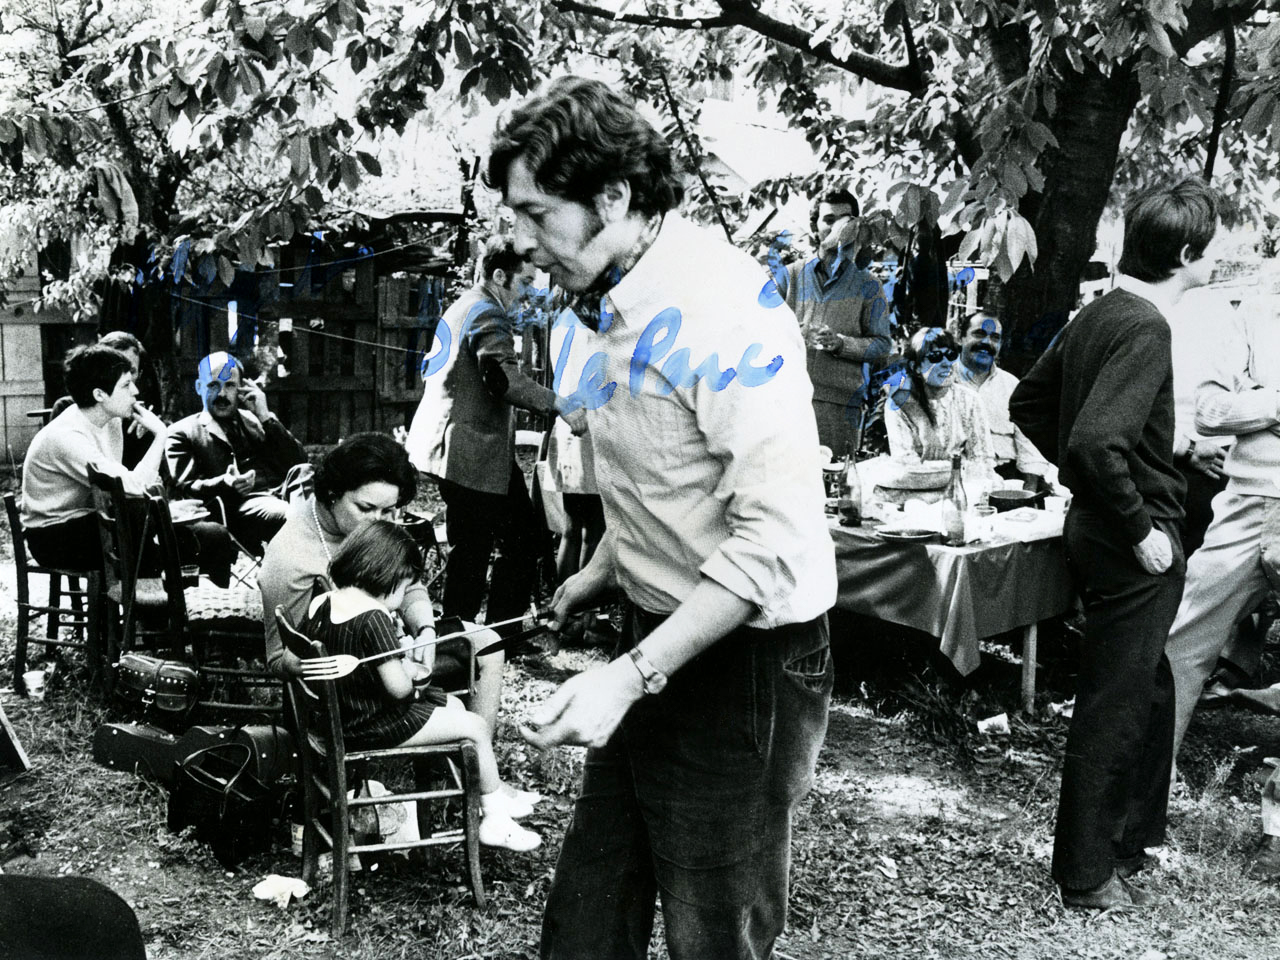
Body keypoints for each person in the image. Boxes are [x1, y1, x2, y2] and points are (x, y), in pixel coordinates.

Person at [487, 75, 836, 959]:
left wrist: (629, 676)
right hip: (656, 635)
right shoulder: (600, 292)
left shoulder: (722, 312)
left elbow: (775, 544)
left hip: (745, 661)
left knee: (711, 936)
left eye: (536, 213)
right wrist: (604, 566)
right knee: (585, 923)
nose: (521, 241)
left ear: (613, 196)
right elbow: (667, 473)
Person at [1010, 177, 1222, 910]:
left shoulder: (1099, 311)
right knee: (1115, 700)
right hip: (1132, 542)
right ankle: (1085, 874)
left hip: (1096, 529)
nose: (1212, 262)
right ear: (1188, 255)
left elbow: (1031, 403)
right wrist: (1139, 528)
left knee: (1148, 685)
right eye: (1209, 251)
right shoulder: (1146, 327)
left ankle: (1129, 839)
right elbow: (1097, 440)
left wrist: (1161, 448)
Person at [300, 520, 541, 851]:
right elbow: (398, 690)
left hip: (341, 718)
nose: (403, 598)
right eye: (405, 587)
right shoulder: (374, 619)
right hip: (371, 724)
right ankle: (495, 815)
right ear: (391, 577)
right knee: (475, 726)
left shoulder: (322, 602)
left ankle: (485, 789)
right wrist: (412, 671)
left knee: (454, 708)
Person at [259, 433, 505, 731]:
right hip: (356, 684)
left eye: (389, 510)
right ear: (333, 493)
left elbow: (410, 585)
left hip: (395, 643)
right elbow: (278, 659)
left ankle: (474, 754)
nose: (379, 522)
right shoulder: (290, 556)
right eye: (365, 509)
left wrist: (425, 629)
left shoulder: (367, 525)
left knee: (487, 643)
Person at [405, 237, 587, 639]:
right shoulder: (488, 312)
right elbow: (502, 380)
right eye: (523, 283)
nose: (527, 294)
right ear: (499, 276)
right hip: (469, 453)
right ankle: (468, 642)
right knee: (481, 550)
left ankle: (488, 638)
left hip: (464, 449)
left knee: (514, 540)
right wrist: (559, 403)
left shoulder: (463, 305)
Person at [1163, 291, 1280, 792]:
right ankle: (1148, 775)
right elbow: (1210, 414)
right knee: (1183, 639)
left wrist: (1252, 402)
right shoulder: (1254, 313)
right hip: (1248, 503)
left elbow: (1232, 410)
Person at [20, 344, 168, 571]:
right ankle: (149, 598)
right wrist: (161, 434)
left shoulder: (111, 421)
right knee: (149, 534)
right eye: (126, 385)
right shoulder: (67, 436)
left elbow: (122, 490)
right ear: (99, 394)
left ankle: (151, 594)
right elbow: (132, 487)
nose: (136, 392)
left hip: (91, 520)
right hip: (53, 536)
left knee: (164, 535)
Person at [775, 187, 892, 453]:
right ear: (815, 227)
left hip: (838, 406)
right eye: (829, 219)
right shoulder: (789, 276)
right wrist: (796, 335)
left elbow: (882, 346)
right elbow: (759, 332)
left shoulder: (869, 285)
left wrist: (841, 343)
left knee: (832, 483)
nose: (838, 226)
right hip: (785, 398)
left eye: (846, 219)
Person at [166, 352, 309, 554]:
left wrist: (266, 419)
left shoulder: (257, 419)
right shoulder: (183, 432)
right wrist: (226, 483)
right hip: (239, 509)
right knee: (298, 516)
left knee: (316, 494)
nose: (222, 394)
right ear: (199, 387)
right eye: (213, 385)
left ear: (241, 388)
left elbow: (298, 462)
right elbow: (187, 488)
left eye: (230, 385)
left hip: (283, 495)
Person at [879, 326, 998, 495]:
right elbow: (906, 465)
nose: (946, 363)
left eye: (951, 355)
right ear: (917, 367)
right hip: (914, 493)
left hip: (964, 489)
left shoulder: (969, 400)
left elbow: (982, 459)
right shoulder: (898, 405)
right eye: (935, 357)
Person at [952, 311, 1058, 488]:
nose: (986, 343)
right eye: (979, 334)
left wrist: (1027, 495)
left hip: (1007, 480)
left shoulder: (1012, 385)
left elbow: (1028, 446)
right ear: (960, 338)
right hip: (957, 478)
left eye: (994, 338)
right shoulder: (943, 381)